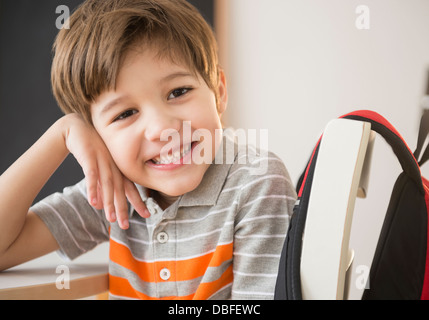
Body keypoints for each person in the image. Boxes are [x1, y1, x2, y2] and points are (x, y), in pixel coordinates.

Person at [0, 0, 296, 300]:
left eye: (178, 92)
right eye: (125, 113)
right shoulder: (114, 195)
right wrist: (61, 134)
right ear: (98, 136)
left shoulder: (257, 183)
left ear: (218, 91)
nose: (161, 129)